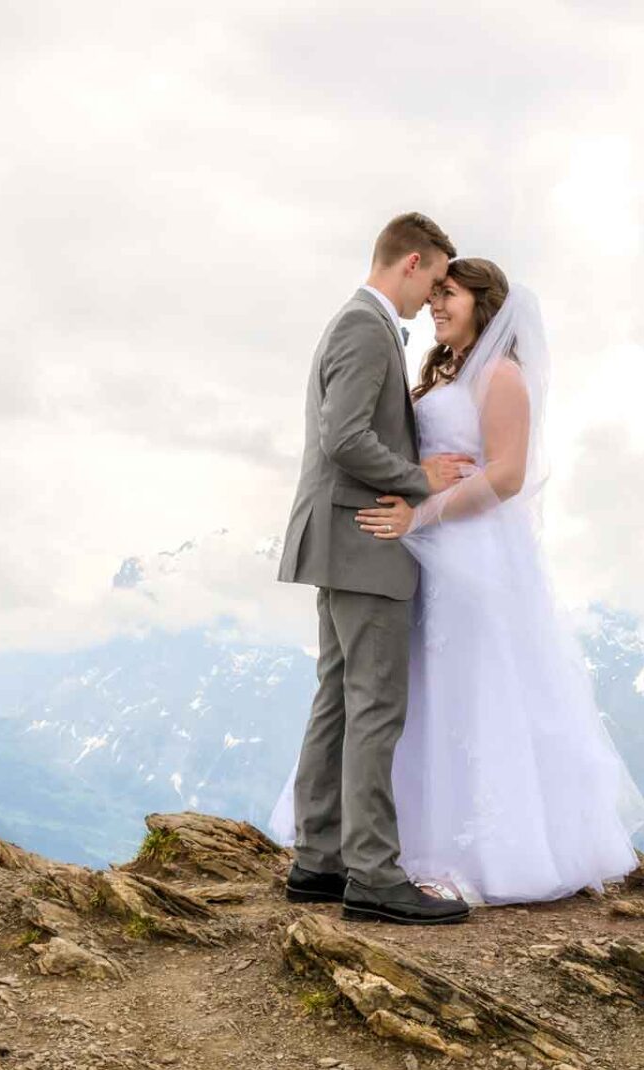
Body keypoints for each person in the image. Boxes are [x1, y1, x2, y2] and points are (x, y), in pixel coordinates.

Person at [269, 253, 644, 909]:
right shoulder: (442, 372)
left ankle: (481, 851)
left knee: (472, 693)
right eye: (436, 294)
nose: (437, 307)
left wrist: (422, 513)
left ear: (485, 305)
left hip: (471, 557)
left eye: (450, 297)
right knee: (414, 696)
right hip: (422, 550)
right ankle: (391, 846)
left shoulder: (501, 377)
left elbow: (505, 477)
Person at [272, 212, 476, 925]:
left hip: (338, 542)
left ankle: (319, 860)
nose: (434, 297)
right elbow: (346, 439)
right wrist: (419, 477)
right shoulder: (365, 326)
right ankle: (373, 875)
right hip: (362, 541)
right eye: (435, 279)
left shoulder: (355, 323)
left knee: (336, 699)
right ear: (411, 263)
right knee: (375, 708)